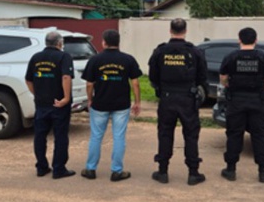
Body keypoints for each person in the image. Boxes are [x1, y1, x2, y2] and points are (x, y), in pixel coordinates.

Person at [147, 18, 208, 185]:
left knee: (165, 133)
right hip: (188, 98)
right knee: (191, 135)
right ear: (185, 31)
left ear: (170, 30)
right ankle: (193, 173)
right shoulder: (194, 52)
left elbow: (152, 77)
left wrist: (162, 87)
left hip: (167, 98)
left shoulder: (160, 51)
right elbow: (203, 77)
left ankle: (162, 171)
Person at [80, 29, 142, 182]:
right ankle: (116, 171)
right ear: (118, 42)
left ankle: (90, 169)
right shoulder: (128, 59)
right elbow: (135, 83)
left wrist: (90, 100)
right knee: (119, 137)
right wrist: (137, 102)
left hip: (100, 104)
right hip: (121, 104)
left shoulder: (95, 60)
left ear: (104, 42)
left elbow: (89, 84)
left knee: (96, 136)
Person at [219, 27, 264, 183]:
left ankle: (230, 170)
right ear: (256, 40)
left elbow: (223, 79)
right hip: (258, 101)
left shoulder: (230, 57)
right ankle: (263, 172)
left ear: (239, 40)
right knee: (259, 136)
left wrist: (232, 86)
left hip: (236, 101)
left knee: (234, 135)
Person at [25, 31, 76, 179]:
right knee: (60, 136)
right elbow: (66, 76)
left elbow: (28, 80)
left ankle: (41, 167)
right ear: (59, 43)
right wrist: (66, 98)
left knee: (40, 136)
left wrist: (37, 94)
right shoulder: (63, 56)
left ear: (46, 43)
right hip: (59, 104)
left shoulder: (36, 57)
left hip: (42, 104)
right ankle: (59, 169)